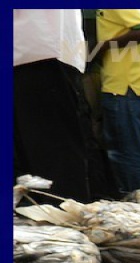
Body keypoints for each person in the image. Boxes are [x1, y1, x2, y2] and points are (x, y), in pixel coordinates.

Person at [14, 9, 92, 203]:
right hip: (32, 51)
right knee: (28, 164)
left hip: (39, 51)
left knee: (53, 163)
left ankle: (63, 226)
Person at [96, 9, 140, 194]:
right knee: (138, 150)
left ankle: (134, 201)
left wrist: (103, 47)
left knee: (125, 152)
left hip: (124, 87)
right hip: (134, 86)